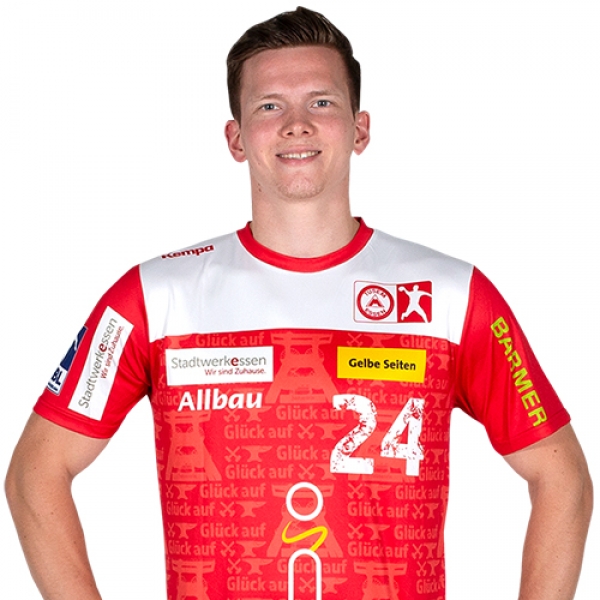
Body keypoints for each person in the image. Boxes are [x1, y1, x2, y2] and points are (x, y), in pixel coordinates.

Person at [5, 7, 592, 600]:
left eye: (321, 102)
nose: (296, 124)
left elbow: (562, 477)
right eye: (269, 106)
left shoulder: (452, 295)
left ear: (360, 129)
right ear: (236, 138)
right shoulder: (154, 297)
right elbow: (35, 473)